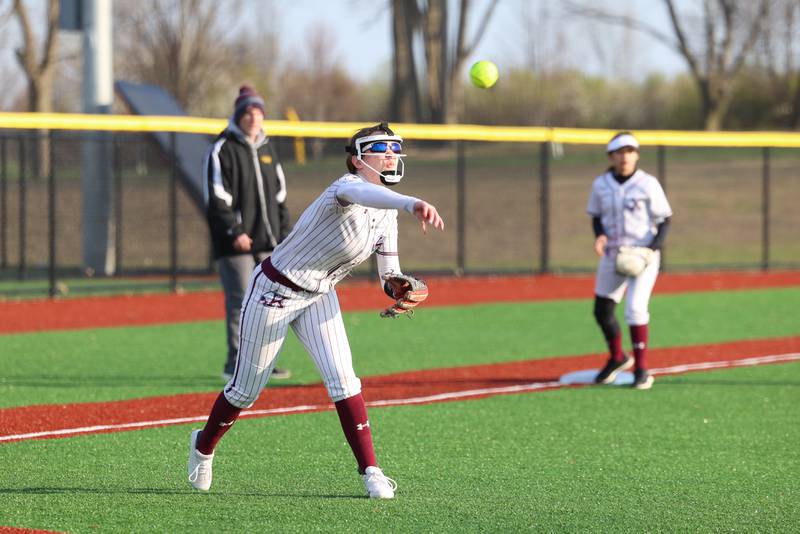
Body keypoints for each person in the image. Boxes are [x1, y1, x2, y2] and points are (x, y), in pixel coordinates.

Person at [188, 122, 445, 499]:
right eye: (381, 149)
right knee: (245, 391)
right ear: (358, 160)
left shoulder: (387, 214)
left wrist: (398, 286)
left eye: (395, 149)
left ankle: (371, 470)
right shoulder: (345, 188)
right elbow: (367, 195)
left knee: (345, 381)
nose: (391, 154)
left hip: (320, 295)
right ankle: (203, 446)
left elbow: (388, 273)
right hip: (274, 290)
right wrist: (413, 203)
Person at [204, 85, 292, 381]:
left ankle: (264, 362)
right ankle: (235, 363)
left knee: (271, 302)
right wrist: (235, 231)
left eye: (258, 112)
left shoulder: (268, 148)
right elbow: (218, 199)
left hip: (268, 243)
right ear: (239, 115)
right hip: (236, 244)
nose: (254, 118)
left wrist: (285, 235)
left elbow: (280, 197)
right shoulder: (222, 149)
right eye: (248, 112)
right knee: (241, 301)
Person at [586, 132, 673, 390]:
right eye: (620, 152)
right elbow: (596, 216)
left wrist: (652, 249)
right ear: (611, 156)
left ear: (636, 155)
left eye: (630, 151)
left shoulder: (648, 184)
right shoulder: (601, 184)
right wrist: (600, 235)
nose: (625, 156)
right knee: (601, 310)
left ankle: (642, 369)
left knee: (634, 309)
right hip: (613, 253)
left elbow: (665, 220)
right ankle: (617, 358)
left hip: (643, 255)